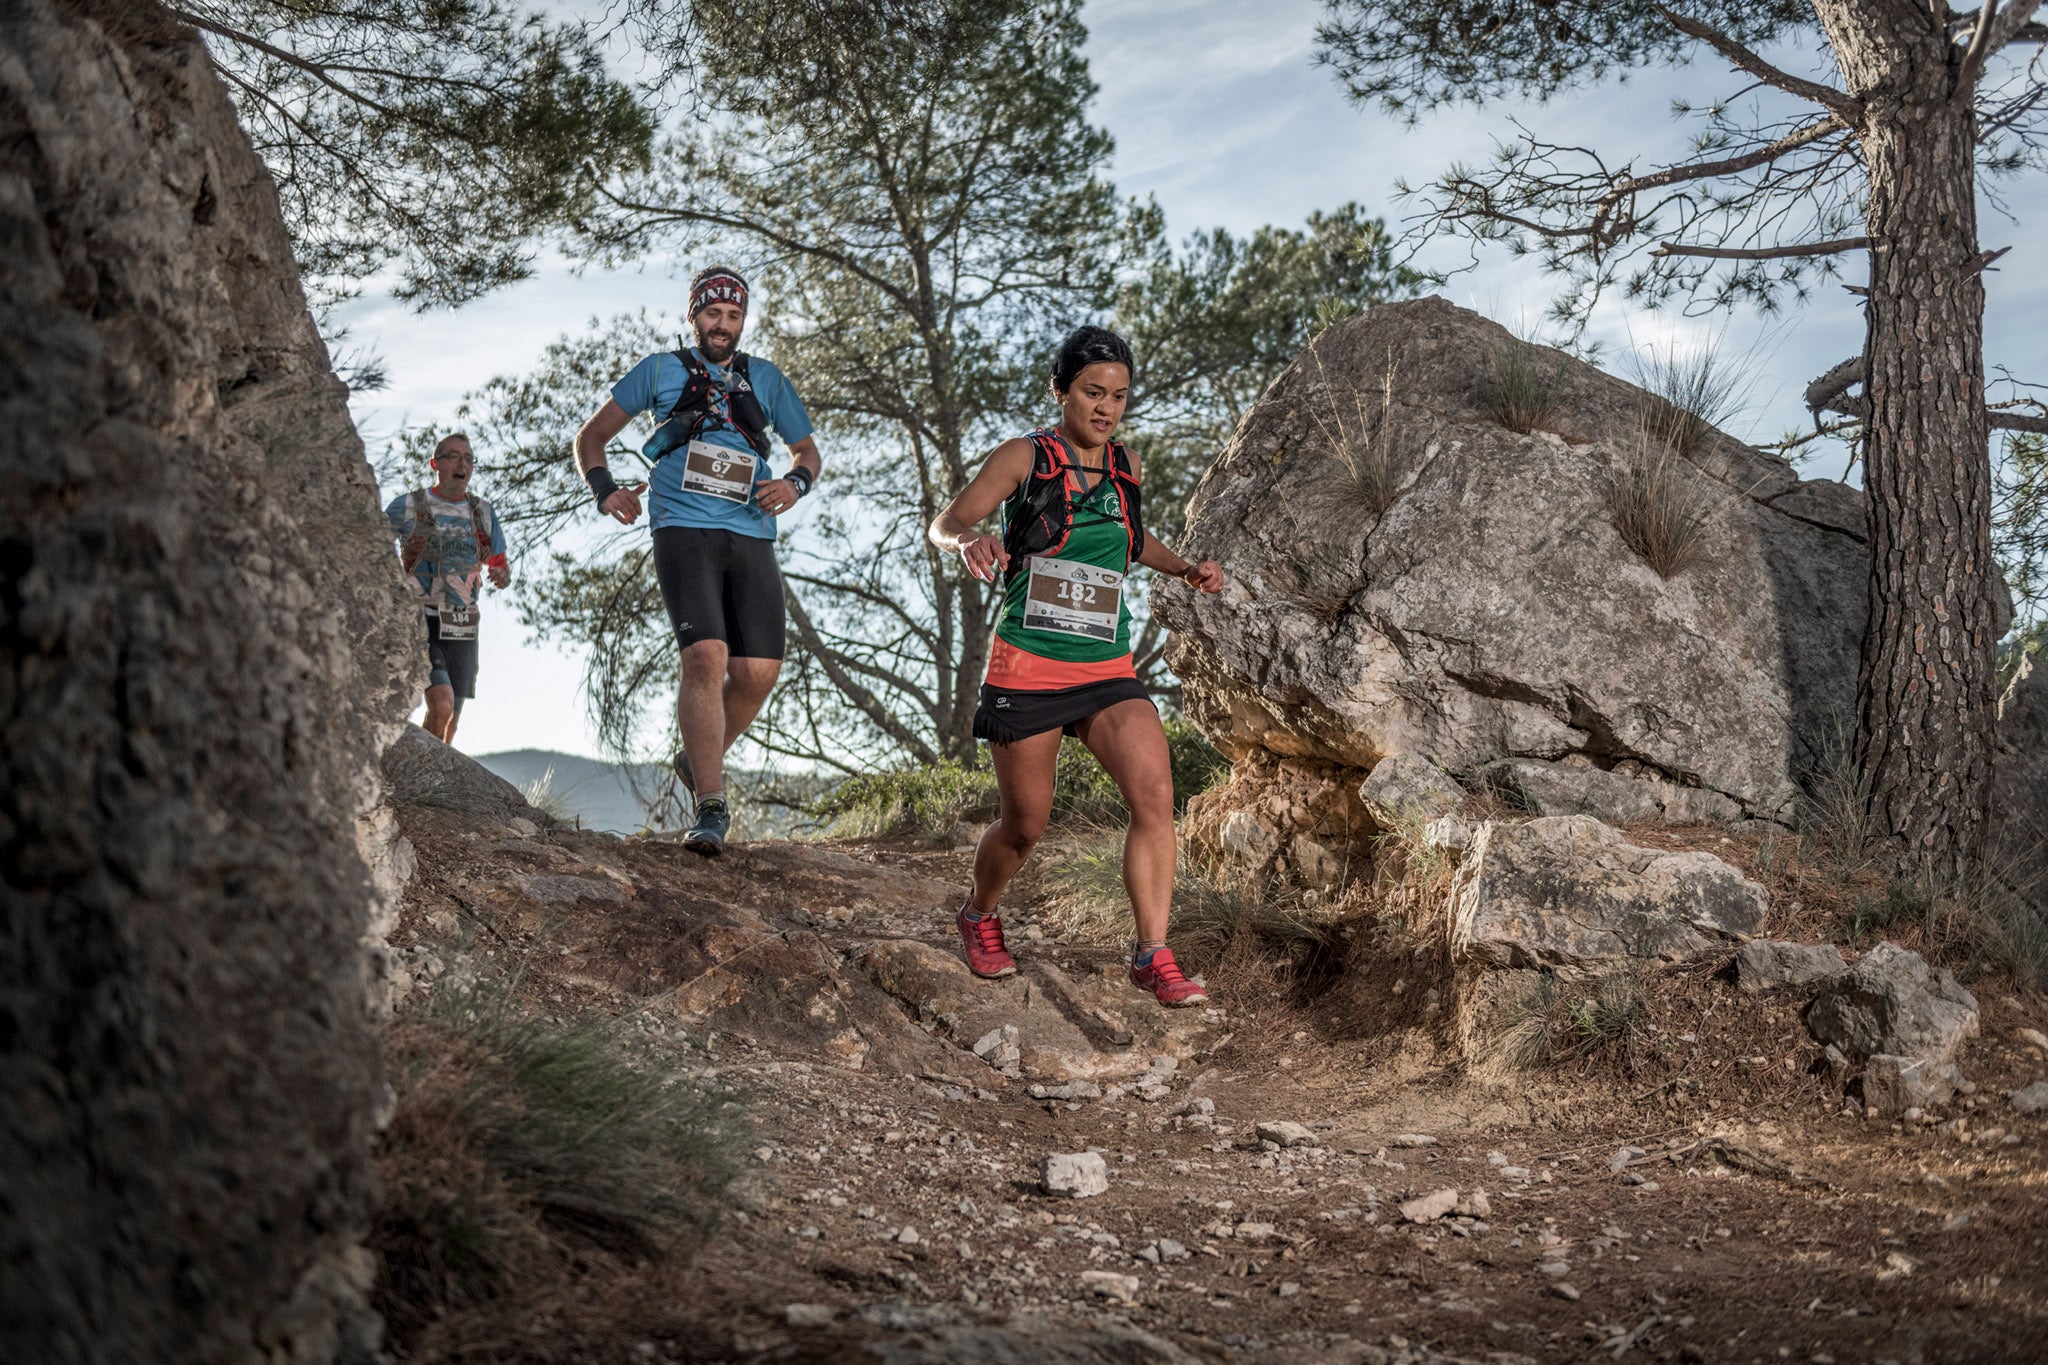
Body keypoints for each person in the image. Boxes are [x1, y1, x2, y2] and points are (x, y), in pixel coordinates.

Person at [928, 326, 1226, 1007]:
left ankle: (1153, 953)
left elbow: (1127, 532)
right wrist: (967, 540)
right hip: (1028, 665)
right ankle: (979, 912)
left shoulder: (1127, 466)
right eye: (1093, 392)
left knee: (1154, 797)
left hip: (1105, 666)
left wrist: (1183, 568)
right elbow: (945, 522)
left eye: (1119, 396)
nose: (1106, 408)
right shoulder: (1023, 457)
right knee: (1025, 824)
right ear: (1060, 389)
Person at [572, 265, 821, 856]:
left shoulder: (765, 378)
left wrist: (794, 485)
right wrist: (606, 490)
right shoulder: (660, 370)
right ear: (694, 315)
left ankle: (696, 758)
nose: (723, 325)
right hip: (683, 525)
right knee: (706, 656)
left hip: (751, 528)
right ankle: (711, 804)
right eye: (713, 314)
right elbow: (590, 439)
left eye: (733, 316)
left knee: (758, 672)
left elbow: (807, 451)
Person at [385, 432, 510, 746]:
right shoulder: (408, 506)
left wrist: (500, 573)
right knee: (440, 705)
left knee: (450, 722)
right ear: (435, 464)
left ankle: (426, 787)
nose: (462, 463)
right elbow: (371, 545)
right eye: (453, 456)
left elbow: (499, 561)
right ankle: (418, 778)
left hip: (462, 624)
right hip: (420, 619)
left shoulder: (482, 513)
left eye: (468, 458)